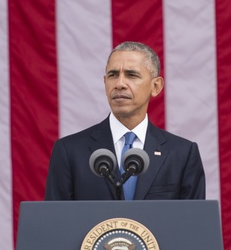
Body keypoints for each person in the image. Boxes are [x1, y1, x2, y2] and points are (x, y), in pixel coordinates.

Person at [44, 41, 206, 201]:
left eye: (132, 75)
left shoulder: (182, 154)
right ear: (105, 83)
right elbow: (56, 222)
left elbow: (193, 223)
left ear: (156, 86)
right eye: (113, 75)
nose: (119, 84)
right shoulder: (69, 151)